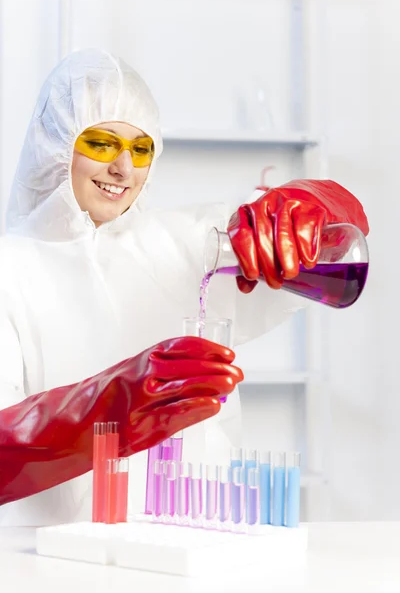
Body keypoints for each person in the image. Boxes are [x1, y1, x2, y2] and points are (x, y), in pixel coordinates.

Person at [0, 49, 369, 526]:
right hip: (50, 554)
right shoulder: (11, 268)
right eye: (101, 143)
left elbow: (347, 229)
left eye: (140, 148)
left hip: (198, 543)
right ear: (56, 144)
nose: (123, 169)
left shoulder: (193, 242)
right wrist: (115, 403)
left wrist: (316, 203)